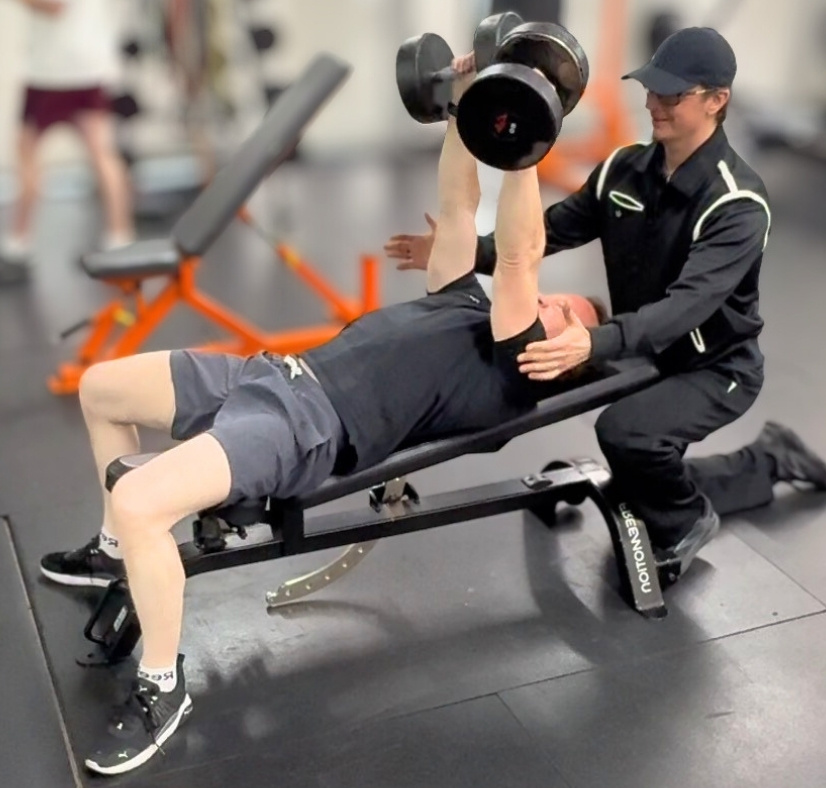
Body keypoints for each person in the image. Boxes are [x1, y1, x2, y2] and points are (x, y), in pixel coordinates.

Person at [37, 52, 605, 776]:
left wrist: (525, 135)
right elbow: (461, 203)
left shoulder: (517, 366)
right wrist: (472, 96)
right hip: (270, 376)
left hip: (307, 426)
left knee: (142, 497)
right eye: (561, 297)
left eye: (565, 316)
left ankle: (162, 686)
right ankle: (113, 553)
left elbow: (523, 256)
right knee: (102, 388)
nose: (553, 303)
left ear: (565, 353)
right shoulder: (465, 298)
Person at [385, 26, 826, 569]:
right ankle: (770, 458)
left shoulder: (737, 204)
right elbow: (548, 232)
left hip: (714, 365)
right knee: (622, 451)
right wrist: (467, 251)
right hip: (644, 344)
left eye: (672, 94)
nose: (653, 104)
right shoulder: (625, 169)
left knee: (627, 435)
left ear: (717, 101)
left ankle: (687, 519)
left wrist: (591, 343)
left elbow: (686, 306)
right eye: (651, 89)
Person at [0, 0, 134, 284]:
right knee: (100, 154)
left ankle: (19, 246)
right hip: (76, 66)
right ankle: (119, 240)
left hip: (59, 71)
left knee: (36, 153)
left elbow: (54, 5)